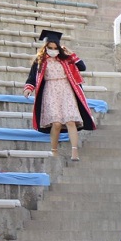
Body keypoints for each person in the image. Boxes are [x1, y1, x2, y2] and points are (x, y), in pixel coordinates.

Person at [24, 30, 94, 161]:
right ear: (45, 47)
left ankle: (74, 152)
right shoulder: (40, 61)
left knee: (70, 120)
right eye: (50, 48)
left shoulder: (65, 59)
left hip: (66, 89)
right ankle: (54, 151)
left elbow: (82, 67)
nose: (53, 50)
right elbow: (32, 77)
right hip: (50, 91)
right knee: (56, 123)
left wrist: (71, 53)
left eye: (55, 48)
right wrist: (28, 89)